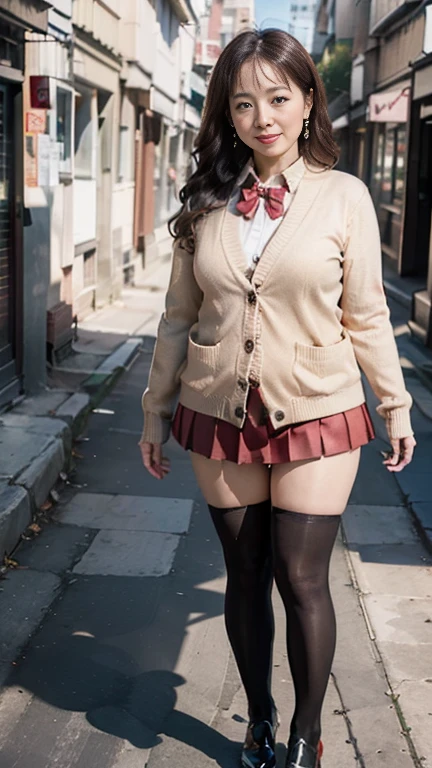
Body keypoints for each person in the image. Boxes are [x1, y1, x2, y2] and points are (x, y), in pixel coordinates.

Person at [139, 29, 416, 768]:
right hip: (218, 408)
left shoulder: (345, 197)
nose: (263, 115)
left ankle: (306, 733)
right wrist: (153, 409)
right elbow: (176, 314)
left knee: (301, 576)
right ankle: (257, 718)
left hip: (319, 407)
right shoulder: (205, 203)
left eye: (278, 97)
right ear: (228, 115)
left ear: (305, 102)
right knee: (244, 572)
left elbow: (366, 314)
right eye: (244, 102)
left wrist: (395, 404)